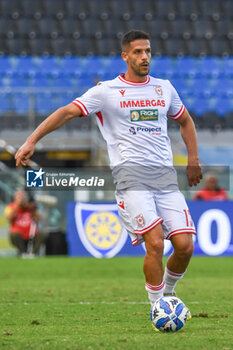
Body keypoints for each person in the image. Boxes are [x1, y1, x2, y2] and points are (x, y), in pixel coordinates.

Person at [15, 30, 202, 319]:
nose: (144, 57)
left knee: (185, 246)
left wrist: (193, 159)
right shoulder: (107, 91)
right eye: (138, 52)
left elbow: (186, 121)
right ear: (125, 55)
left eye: (148, 51)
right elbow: (66, 112)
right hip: (131, 179)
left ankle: (169, 294)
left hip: (165, 179)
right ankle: (156, 307)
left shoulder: (164, 88)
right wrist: (31, 140)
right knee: (154, 243)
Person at [5, 189, 44, 257]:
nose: (21, 199)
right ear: (15, 197)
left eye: (22, 197)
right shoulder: (10, 207)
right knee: (14, 235)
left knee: (42, 234)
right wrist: (17, 206)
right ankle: (23, 253)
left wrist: (31, 208)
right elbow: (8, 218)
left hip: (30, 235)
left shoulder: (31, 207)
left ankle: (33, 253)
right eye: (19, 197)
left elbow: (38, 219)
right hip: (18, 235)